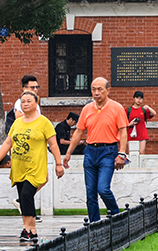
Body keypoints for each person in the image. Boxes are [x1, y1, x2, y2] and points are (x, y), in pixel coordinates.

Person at [0, 88, 63, 246]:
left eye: (29, 101)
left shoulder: (44, 122)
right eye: (23, 102)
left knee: (25, 195)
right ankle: (28, 230)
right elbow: (8, 142)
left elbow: (53, 144)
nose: (25, 104)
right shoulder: (17, 122)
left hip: (35, 167)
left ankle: (30, 229)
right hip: (19, 167)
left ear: (37, 103)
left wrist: (59, 164)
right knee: (24, 199)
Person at [61, 77, 128, 225]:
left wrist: (121, 154)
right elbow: (79, 132)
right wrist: (69, 152)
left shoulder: (116, 108)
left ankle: (118, 218)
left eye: (100, 89)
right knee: (90, 193)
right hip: (90, 151)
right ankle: (94, 224)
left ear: (108, 90)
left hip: (108, 151)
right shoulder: (87, 109)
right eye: (93, 89)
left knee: (103, 189)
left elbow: (123, 132)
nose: (96, 93)